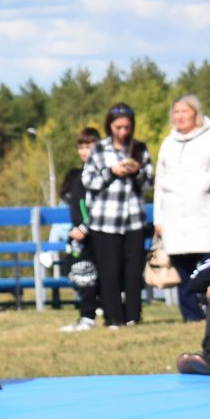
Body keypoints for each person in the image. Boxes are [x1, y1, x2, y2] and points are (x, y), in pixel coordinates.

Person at [82, 101, 154, 328]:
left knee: (133, 271)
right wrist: (112, 172)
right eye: (118, 127)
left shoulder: (140, 149)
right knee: (109, 271)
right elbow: (88, 180)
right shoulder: (100, 149)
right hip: (105, 221)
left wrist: (136, 172)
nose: (123, 132)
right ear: (110, 126)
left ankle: (133, 315)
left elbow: (150, 182)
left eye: (126, 127)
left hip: (133, 218)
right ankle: (113, 317)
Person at [155, 95, 210, 324]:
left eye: (184, 111)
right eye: (176, 112)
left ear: (195, 113)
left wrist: (206, 181)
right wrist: (158, 218)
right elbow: (160, 182)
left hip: (206, 214)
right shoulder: (169, 143)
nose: (179, 116)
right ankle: (191, 316)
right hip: (175, 217)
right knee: (183, 271)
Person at [59, 127, 103, 331]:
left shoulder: (101, 174)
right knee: (80, 273)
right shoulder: (79, 175)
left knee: (93, 275)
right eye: (82, 146)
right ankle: (87, 314)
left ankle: (90, 315)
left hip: (95, 233)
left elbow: (100, 205)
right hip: (80, 235)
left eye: (90, 146)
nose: (85, 151)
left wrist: (85, 228)